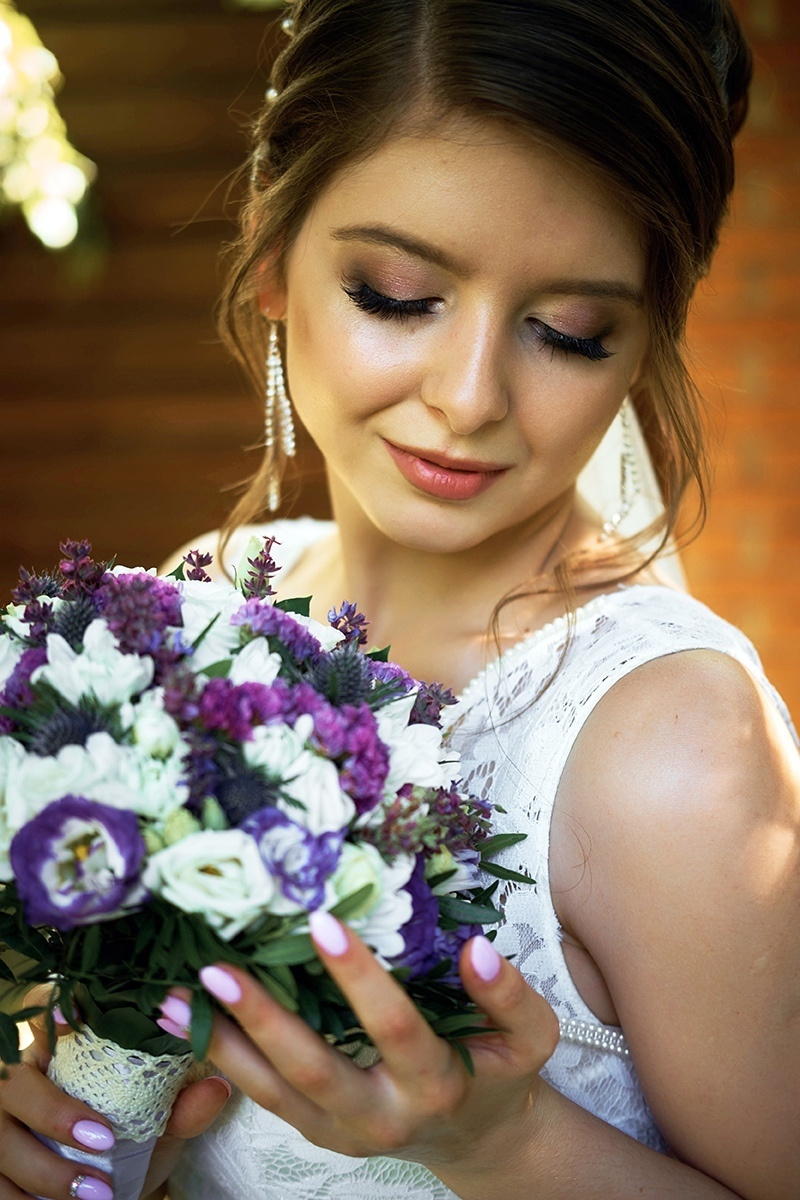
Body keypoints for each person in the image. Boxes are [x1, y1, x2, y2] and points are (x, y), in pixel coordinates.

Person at [1, 1, 799, 1197]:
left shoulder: (675, 748)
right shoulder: (196, 609)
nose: (470, 396)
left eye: (568, 331)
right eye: (394, 293)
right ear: (272, 256)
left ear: (644, 344)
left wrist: (502, 1144)